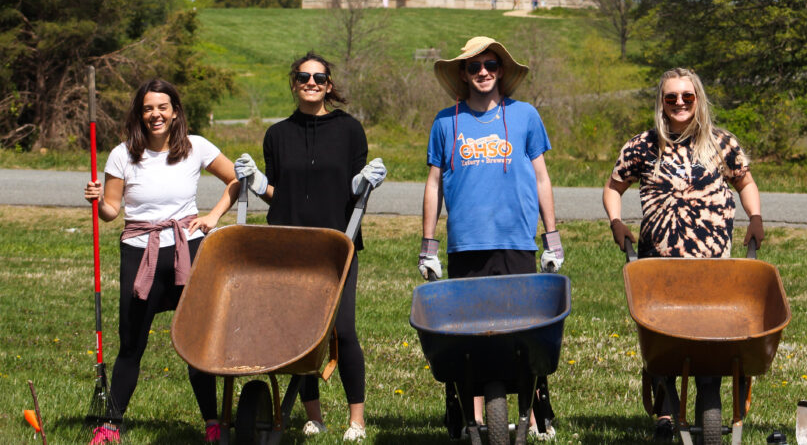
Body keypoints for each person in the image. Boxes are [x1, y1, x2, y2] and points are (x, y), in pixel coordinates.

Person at [602, 67, 764, 441]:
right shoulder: (642, 146)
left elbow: (746, 182)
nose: (679, 103)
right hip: (659, 266)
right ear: (661, 101)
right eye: (671, 97)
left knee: (711, 341)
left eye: (687, 97)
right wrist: (616, 223)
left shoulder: (722, 143)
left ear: (698, 100)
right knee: (663, 337)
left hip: (713, 264)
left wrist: (755, 217)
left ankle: (710, 396)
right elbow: (614, 188)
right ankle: (665, 408)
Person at [233, 52, 384, 442]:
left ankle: (357, 419)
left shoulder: (350, 130)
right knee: (298, 333)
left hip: (337, 246)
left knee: (344, 331)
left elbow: (353, 188)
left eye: (319, 77)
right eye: (303, 76)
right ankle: (313, 416)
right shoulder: (277, 135)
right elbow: (277, 195)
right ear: (294, 83)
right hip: (289, 247)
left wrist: (364, 182)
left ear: (329, 84)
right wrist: (255, 181)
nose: (311, 82)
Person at [419, 36, 563, 438]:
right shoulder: (446, 122)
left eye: (491, 65)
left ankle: (534, 412)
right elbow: (434, 185)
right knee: (468, 333)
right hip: (466, 244)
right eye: (474, 66)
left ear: (501, 71)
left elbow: (541, 177)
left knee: (525, 329)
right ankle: (471, 416)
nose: (483, 72)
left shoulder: (525, 116)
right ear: (463, 74)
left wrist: (552, 237)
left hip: (516, 241)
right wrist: (428, 246)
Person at [84, 79, 240, 445]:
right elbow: (110, 211)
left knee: (197, 343)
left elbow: (236, 179)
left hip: (189, 248)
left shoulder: (197, 147)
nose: (156, 114)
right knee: (131, 343)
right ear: (140, 114)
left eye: (162, 107)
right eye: (148, 108)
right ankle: (110, 427)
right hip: (140, 253)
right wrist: (97, 199)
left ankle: (212, 425)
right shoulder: (122, 154)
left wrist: (214, 216)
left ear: (175, 112)